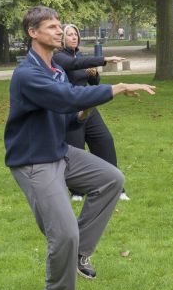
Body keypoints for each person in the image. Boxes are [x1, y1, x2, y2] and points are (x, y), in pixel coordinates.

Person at [4, 6, 155, 290]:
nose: (60, 32)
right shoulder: (28, 74)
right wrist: (117, 87)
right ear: (33, 33)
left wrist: (83, 113)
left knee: (111, 179)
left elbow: (69, 117)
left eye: (61, 26)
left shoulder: (56, 70)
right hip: (35, 161)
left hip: (58, 150)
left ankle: (77, 254)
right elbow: (66, 99)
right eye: (52, 27)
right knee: (63, 232)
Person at [54, 24, 130, 201]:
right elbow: (73, 65)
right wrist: (102, 59)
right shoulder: (59, 57)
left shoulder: (79, 56)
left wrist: (94, 73)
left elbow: (93, 82)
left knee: (104, 141)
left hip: (88, 105)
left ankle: (115, 187)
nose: (74, 37)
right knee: (76, 149)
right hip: (71, 108)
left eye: (76, 35)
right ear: (62, 39)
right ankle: (78, 192)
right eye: (70, 35)